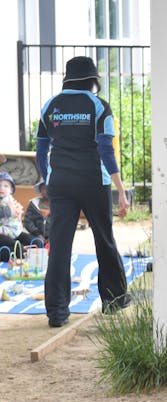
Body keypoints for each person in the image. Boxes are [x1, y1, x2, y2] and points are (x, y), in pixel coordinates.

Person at [35, 56, 131, 328]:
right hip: (93, 182)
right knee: (104, 238)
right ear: (92, 80)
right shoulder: (98, 106)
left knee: (60, 246)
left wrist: (47, 180)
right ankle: (114, 301)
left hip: (61, 185)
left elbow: (41, 152)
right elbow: (105, 150)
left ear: (67, 78)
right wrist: (120, 189)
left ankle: (56, 312)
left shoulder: (50, 106)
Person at [0, 172, 32, 262]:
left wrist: (18, 214)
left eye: (6, 186)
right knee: (13, 245)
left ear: (11, 190)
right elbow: (9, 211)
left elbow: (17, 213)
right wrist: (9, 210)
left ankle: (30, 252)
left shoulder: (10, 199)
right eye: (0, 185)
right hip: (3, 232)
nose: (1, 188)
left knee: (31, 239)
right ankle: (21, 252)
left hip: (12, 229)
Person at [23, 180, 53, 244]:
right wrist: (38, 234)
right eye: (44, 188)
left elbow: (61, 223)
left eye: (50, 188)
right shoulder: (33, 203)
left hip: (54, 236)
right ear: (40, 190)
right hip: (35, 236)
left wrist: (51, 237)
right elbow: (27, 221)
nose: (47, 191)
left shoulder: (59, 205)